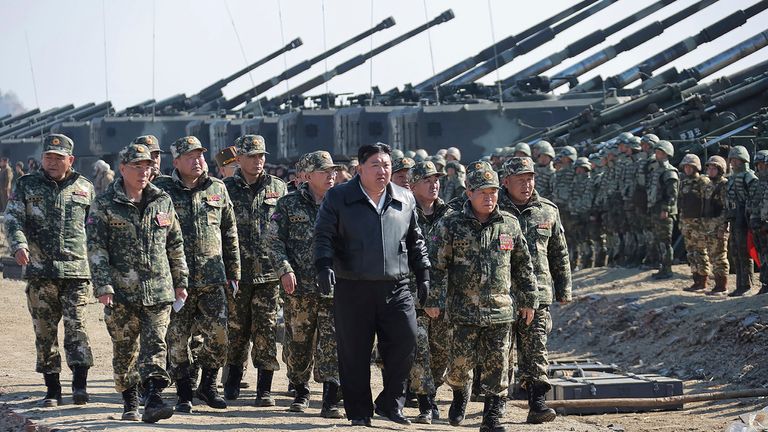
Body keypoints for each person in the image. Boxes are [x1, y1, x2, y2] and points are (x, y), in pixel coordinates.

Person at [314, 142, 430, 427]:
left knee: (406, 341)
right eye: (376, 165)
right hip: (353, 287)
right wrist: (324, 266)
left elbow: (416, 239)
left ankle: (391, 403)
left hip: (396, 286)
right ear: (360, 169)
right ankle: (359, 412)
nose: (383, 171)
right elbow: (323, 235)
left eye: (387, 165)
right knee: (354, 352)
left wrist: (423, 273)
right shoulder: (339, 197)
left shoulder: (404, 197)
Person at [427, 160, 538, 432]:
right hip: (462, 309)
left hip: (500, 309)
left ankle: (493, 416)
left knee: (498, 364)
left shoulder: (509, 224)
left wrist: (528, 300)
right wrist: (434, 299)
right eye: (482, 193)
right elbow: (436, 265)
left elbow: (523, 265)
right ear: (469, 193)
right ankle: (459, 394)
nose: (489, 198)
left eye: (493, 192)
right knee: (460, 365)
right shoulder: (450, 224)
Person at [86, 142, 188, 423]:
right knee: (125, 349)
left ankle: (154, 399)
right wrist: (103, 285)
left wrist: (181, 281)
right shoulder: (105, 203)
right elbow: (96, 248)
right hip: (122, 293)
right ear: (122, 169)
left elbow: (175, 244)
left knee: (156, 345)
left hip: (159, 289)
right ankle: (130, 401)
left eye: (147, 166)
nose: (144, 172)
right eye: (137, 167)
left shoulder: (162, 200)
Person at [4, 134, 94, 407]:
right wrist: (19, 245)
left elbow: (96, 228)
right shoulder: (27, 185)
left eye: (58, 158)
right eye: (48, 157)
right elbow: (12, 218)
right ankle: (52, 390)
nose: (52, 162)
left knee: (77, 328)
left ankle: (80, 385)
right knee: (45, 332)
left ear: (71, 160)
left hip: (77, 272)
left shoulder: (85, 188)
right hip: (40, 272)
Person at [154, 136, 241, 413]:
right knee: (177, 340)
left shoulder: (217, 188)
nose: (198, 161)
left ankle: (208, 385)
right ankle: (183, 393)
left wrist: (234, 270)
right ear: (176, 161)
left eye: (201, 155)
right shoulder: (162, 191)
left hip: (213, 278)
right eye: (190, 156)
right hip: (177, 280)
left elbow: (229, 230)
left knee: (219, 336)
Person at [267, 150, 344, 418]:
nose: (332, 175)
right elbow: (274, 241)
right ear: (308, 175)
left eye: (333, 171)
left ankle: (331, 398)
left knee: (333, 342)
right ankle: (300, 390)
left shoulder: (343, 203)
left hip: (335, 288)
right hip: (299, 288)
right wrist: (284, 270)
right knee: (298, 344)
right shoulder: (287, 205)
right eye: (325, 171)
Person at [498, 156, 571, 424]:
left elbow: (559, 252)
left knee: (536, 349)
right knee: (500, 351)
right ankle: (497, 403)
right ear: (506, 182)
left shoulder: (547, 211)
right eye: (520, 180)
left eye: (530, 179)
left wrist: (564, 288)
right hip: (501, 293)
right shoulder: (494, 210)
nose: (526, 185)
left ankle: (537, 404)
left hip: (538, 293)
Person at [223, 135, 287, 406]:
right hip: (236, 274)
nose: (258, 161)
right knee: (236, 331)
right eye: (252, 156)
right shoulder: (224, 188)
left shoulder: (278, 188)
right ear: (239, 159)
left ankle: (264, 390)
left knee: (266, 332)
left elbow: (285, 231)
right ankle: (232, 383)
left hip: (269, 275)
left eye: (261, 156)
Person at [407, 161, 453, 424]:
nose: (434, 184)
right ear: (413, 185)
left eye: (436, 179)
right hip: (412, 296)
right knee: (419, 348)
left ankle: (430, 391)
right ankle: (426, 403)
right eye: (427, 180)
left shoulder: (451, 215)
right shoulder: (402, 212)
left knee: (441, 352)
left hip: (445, 296)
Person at [725, 145, 757, 296]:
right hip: (734, 217)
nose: (733, 163)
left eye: (736, 160)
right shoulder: (731, 179)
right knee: (736, 252)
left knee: (745, 253)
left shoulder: (749, 177)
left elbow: (754, 198)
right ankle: (739, 284)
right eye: (732, 160)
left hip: (745, 219)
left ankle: (747, 284)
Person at [678, 154, 711, 292]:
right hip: (687, 224)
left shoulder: (703, 182)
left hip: (700, 224)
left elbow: (709, 203)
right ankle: (696, 280)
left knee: (700, 252)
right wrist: (681, 222)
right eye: (685, 166)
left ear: (696, 167)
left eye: (689, 166)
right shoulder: (684, 182)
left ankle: (703, 281)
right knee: (691, 253)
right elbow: (681, 203)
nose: (687, 169)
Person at [647, 140, 679, 279]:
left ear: (667, 154)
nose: (657, 155)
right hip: (655, 209)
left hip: (664, 212)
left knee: (665, 242)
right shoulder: (656, 170)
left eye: (660, 152)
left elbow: (672, 194)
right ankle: (662, 267)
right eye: (657, 152)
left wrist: (666, 209)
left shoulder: (669, 172)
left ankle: (667, 269)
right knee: (658, 241)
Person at [702, 156, 731, 295]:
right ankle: (716, 285)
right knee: (713, 256)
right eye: (709, 168)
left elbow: (726, 208)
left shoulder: (724, 185)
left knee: (720, 257)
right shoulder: (708, 185)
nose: (710, 171)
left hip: (718, 227)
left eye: (714, 168)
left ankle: (722, 286)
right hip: (709, 226)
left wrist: (723, 228)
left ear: (720, 170)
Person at [750, 150, 768, 295]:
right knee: (762, 255)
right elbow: (752, 204)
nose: (760, 168)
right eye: (758, 165)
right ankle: (765, 283)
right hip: (757, 225)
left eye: (763, 165)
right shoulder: (756, 184)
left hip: (766, 225)